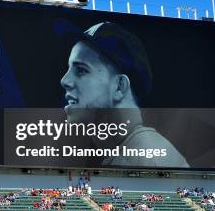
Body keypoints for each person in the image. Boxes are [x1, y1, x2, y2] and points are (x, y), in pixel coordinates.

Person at [60, 21, 189, 168]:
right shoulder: (129, 152)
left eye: (81, 70)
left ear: (120, 87)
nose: (64, 81)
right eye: (69, 69)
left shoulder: (145, 158)